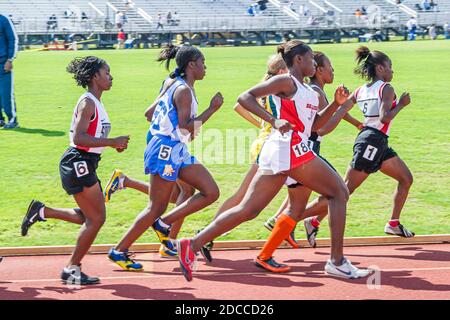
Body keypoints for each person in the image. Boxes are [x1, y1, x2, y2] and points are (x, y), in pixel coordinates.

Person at [176, 40, 371, 282]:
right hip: (289, 149)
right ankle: (337, 261)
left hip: (284, 151)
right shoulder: (286, 81)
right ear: (298, 60)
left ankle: (191, 244)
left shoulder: (309, 92)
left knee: (249, 209)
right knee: (339, 192)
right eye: (311, 59)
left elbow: (315, 127)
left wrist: (336, 104)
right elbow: (245, 97)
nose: (314, 63)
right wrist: (273, 120)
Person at [107, 44, 224, 271]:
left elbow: (149, 114)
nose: (205, 68)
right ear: (191, 65)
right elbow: (185, 128)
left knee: (211, 192)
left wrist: (164, 126)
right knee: (155, 206)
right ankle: (119, 250)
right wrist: (212, 109)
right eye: (203, 63)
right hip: (167, 150)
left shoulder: (173, 84)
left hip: (175, 148)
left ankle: (164, 224)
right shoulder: (182, 90)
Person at [21, 56, 130, 285]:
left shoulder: (97, 102)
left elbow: (90, 138)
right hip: (78, 161)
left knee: (91, 217)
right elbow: (78, 138)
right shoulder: (88, 102)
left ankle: (42, 211)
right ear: (94, 77)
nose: (111, 77)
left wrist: (110, 145)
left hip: (86, 161)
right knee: (96, 218)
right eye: (107, 73)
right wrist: (111, 142)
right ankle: (71, 269)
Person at [297, 46, 415, 248]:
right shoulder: (386, 88)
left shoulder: (361, 90)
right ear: (379, 68)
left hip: (376, 141)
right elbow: (385, 117)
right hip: (372, 142)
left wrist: (326, 127)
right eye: (390, 67)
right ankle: (294, 217)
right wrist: (401, 104)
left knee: (406, 178)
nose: (392, 71)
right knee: (343, 191)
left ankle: (393, 223)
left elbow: (341, 109)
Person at [262, 51, 363, 251]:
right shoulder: (315, 93)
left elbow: (332, 116)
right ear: (319, 70)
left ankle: (272, 243)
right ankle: (290, 224)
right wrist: (343, 107)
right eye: (330, 67)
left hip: (300, 149)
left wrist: (348, 115)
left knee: (296, 202)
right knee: (337, 192)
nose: (333, 70)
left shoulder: (317, 92)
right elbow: (322, 127)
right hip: (304, 150)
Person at [0, 14, 19, 129]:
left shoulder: (3, 20)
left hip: (3, 64)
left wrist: (10, 59)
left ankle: (13, 120)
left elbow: (13, 39)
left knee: (6, 95)